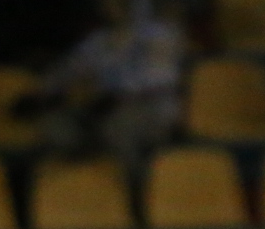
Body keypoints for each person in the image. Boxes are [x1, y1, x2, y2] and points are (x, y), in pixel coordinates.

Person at [34, 0, 185, 166]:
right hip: (102, 108)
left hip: (149, 108)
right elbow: (65, 73)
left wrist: (109, 90)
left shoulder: (158, 36)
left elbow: (160, 80)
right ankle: (88, 170)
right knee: (56, 124)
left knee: (119, 126)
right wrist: (48, 90)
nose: (111, 6)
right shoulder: (97, 42)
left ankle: (134, 176)